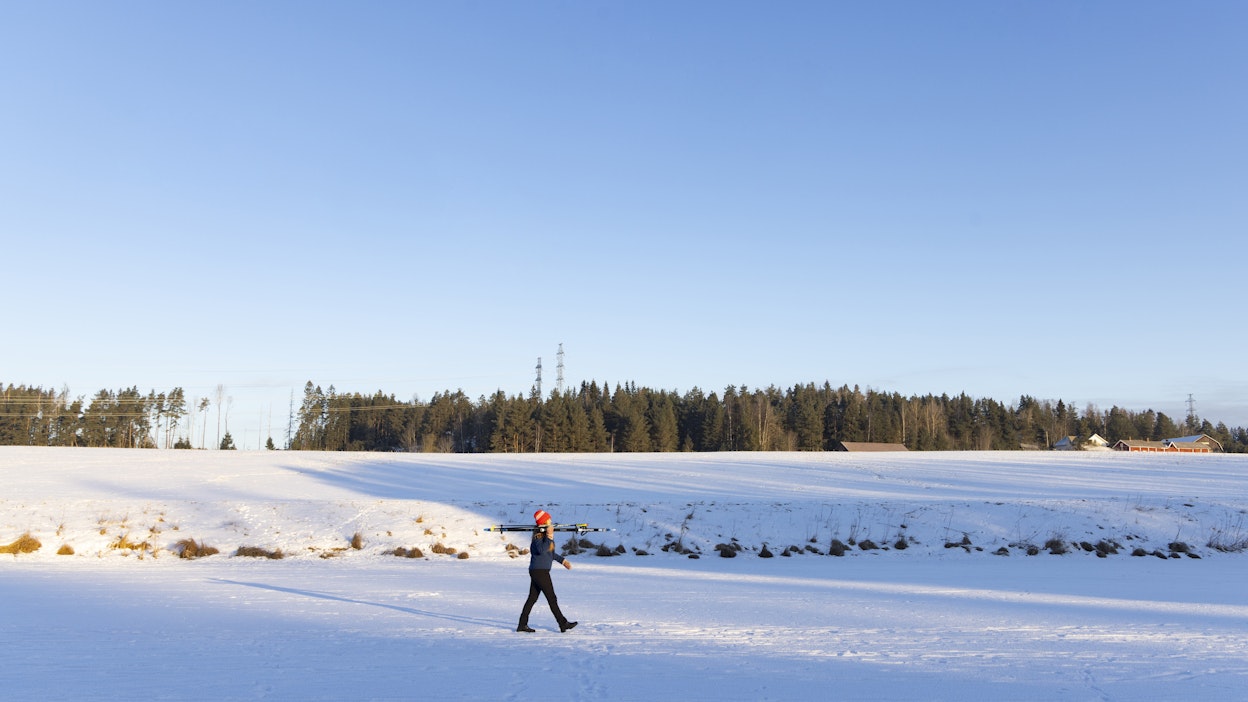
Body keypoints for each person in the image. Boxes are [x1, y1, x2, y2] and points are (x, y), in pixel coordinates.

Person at [517, 509, 577, 633]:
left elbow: (550, 553)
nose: (551, 522)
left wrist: (563, 561)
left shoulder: (544, 536)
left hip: (538, 571)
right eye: (548, 520)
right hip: (540, 572)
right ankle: (563, 623)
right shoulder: (538, 536)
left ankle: (522, 625)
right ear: (544, 522)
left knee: (532, 598)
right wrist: (549, 536)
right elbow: (541, 550)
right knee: (551, 598)